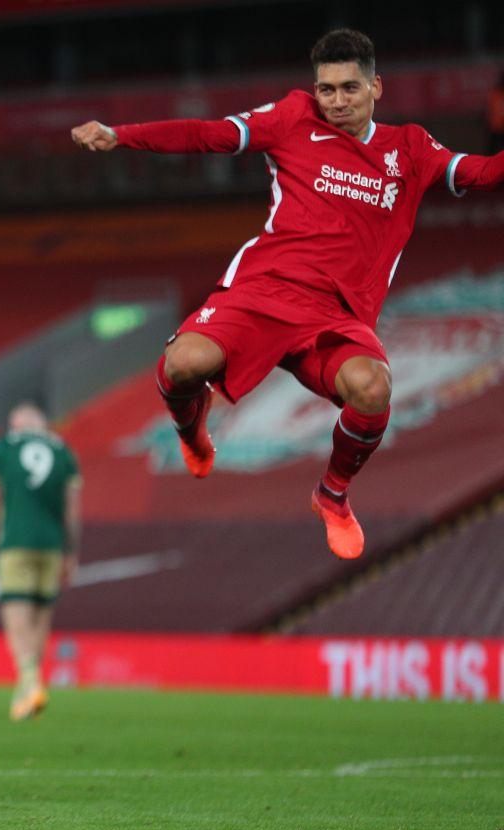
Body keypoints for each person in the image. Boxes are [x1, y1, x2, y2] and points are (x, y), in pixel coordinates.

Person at [72, 28, 503, 560]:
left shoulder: (409, 149)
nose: (337, 101)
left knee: (373, 390)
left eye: (349, 88)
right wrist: (121, 135)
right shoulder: (294, 118)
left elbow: (483, 174)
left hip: (336, 316)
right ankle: (191, 428)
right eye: (327, 89)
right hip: (264, 292)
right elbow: (210, 135)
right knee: (182, 364)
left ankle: (333, 495)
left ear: (376, 88)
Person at [0, 402, 81, 721]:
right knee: (40, 616)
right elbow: (73, 511)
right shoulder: (64, 451)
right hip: (51, 545)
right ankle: (26, 693)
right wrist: (71, 552)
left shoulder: (4, 446)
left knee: (15, 615)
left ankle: (30, 678)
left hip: (15, 542)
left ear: (19, 424)